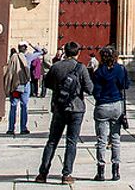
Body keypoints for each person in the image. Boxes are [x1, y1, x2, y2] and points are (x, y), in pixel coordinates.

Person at [37, 41, 94, 184]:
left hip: (59, 107)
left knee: (52, 141)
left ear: (65, 52)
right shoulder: (81, 68)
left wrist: (60, 89)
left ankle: (42, 174)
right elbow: (90, 89)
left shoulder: (56, 66)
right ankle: (66, 174)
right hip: (76, 109)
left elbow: (47, 83)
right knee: (71, 141)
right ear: (77, 53)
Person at [91, 45, 129, 183]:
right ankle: (115, 171)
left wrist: (100, 98)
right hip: (117, 105)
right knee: (116, 138)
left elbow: (94, 90)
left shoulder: (99, 71)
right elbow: (126, 85)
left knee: (101, 140)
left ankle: (100, 171)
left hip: (102, 106)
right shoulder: (121, 69)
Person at [4, 42, 33, 136]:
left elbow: (9, 72)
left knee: (13, 106)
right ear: (26, 48)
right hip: (25, 84)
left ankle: (11, 128)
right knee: (24, 106)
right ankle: (23, 128)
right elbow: (41, 52)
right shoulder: (28, 57)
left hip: (16, 85)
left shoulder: (13, 58)